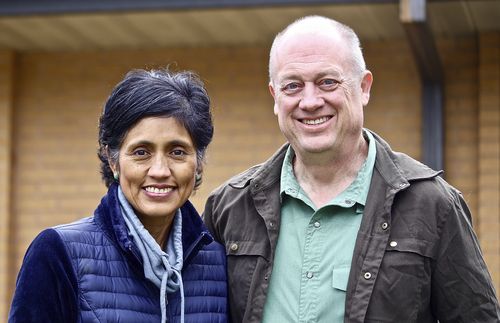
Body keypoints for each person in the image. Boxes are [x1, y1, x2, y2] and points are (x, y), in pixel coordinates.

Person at [203, 15, 500, 323]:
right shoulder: (229, 207)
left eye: (327, 82)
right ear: (275, 98)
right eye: (292, 86)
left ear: (364, 87)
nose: (310, 101)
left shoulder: (431, 204)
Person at [9, 69, 227, 323]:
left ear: (198, 163)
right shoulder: (57, 252)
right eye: (141, 152)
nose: (159, 171)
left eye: (177, 152)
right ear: (113, 161)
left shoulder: (218, 262)